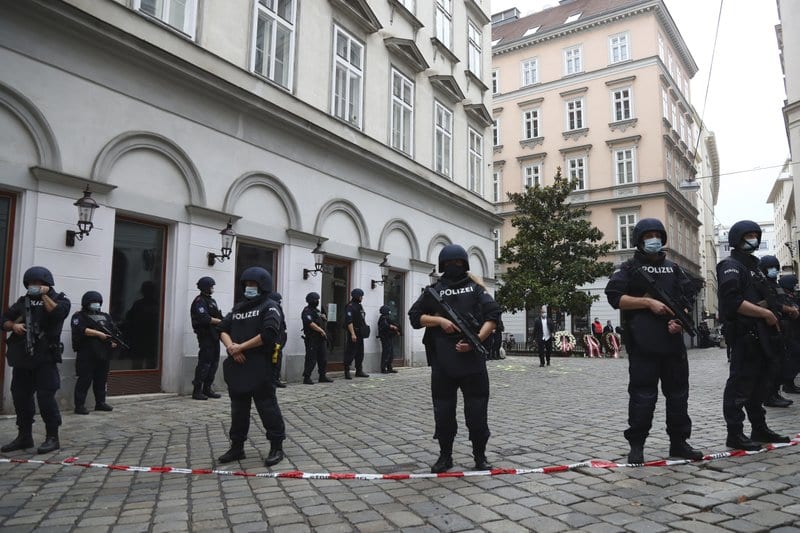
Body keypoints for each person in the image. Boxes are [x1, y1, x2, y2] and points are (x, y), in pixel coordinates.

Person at [605, 218, 704, 463]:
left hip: (672, 343)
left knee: (679, 395)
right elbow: (615, 297)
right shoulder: (628, 268)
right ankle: (637, 445)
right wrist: (648, 302)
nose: (653, 240)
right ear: (639, 240)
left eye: (657, 235)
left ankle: (679, 442)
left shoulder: (673, 268)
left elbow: (686, 300)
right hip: (643, 342)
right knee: (642, 396)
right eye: (648, 235)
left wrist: (680, 321)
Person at [409, 244, 500, 473]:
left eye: (456, 264)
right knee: (444, 413)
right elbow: (414, 317)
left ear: (464, 264)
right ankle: (445, 456)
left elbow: (493, 317)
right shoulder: (435, 291)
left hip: (473, 363)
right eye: (449, 264)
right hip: (443, 364)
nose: (453, 267)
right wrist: (440, 322)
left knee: (477, 413)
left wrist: (475, 340)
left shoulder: (476, 289)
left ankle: (480, 456)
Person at [717, 220, 789, 451]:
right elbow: (732, 301)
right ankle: (735, 433)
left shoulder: (754, 266)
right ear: (737, 239)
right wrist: (765, 313)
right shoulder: (730, 265)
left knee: (759, 386)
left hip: (762, 336)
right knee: (739, 387)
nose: (753, 239)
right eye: (747, 235)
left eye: (754, 235)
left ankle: (759, 427)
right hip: (745, 335)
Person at [217, 267, 286, 467]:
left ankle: (276, 446)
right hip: (238, 367)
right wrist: (231, 347)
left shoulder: (270, 306)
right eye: (246, 284)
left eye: (253, 284)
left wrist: (242, 347)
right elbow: (222, 328)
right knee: (238, 410)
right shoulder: (239, 308)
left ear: (262, 286)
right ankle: (237, 446)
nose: (249, 288)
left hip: (260, 366)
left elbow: (269, 333)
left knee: (267, 407)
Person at [1, 266, 71, 454]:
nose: (34, 286)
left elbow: (57, 313)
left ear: (47, 284)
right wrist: (14, 326)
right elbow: (4, 320)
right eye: (32, 284)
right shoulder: (23, 302)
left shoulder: (60, 300)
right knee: (20, 396)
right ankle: (24, 436)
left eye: (38, 283)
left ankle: (52, 437)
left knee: (45, 397)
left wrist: (44, 296)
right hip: (23, 358)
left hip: (46, 358)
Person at [756, 256, 797, 407]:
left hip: (783, 327)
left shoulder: (775, 285)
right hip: (770, 327)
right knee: (772, 363)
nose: (774, 270)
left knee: (780, 362)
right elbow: (770, 304)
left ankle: (775, 393)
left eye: (775, 267)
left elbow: (780, 302)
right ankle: (769, 395)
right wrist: (788, 309)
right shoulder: (762, 284)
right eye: (771, 267)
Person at [71, 291, 117, 414]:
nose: (96, 305)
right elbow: (80, 329)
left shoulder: (105, 316)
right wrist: (98, 334)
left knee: (101, 379)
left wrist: (113, 341)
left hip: (103, 353)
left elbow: (112, 330)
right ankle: (79, 405)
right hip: (87, 354)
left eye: (97, 302)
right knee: (84, 380)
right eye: (93, 302)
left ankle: (100, 403)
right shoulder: (79, 316)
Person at [190, 277, 223, 400]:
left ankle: (207, 389)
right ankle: (197, 390)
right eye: (211, 287)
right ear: (205, 287)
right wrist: (219, 321)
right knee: (205, 363)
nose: (212, 289)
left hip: (214, 335)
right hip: (205, 336)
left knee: (214, 363)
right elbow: (204, 318)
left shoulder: (212, 301)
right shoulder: (199, 301)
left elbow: (218, 315)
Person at [301, 292, 333, 384]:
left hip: (320, 339)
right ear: (311, 301)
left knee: (323, 359)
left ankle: (322, 376)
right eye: (316, 300)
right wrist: (321, 330)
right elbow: (310, 323)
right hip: (312, 339)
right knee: (311, 358)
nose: (317, 301)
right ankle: (307, 377)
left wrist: (324, 317)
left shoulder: (317, 310)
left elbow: (321, 320)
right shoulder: (307, 311)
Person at [778, 274, 800, 395]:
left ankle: (789, 383)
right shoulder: (783, 297)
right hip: (789, 333)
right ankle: (787, 383)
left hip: (794, 332)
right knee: (794, 356)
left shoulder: (792, 296)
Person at [343, 288, 369, 379]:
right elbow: (349, 321)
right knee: (351, 352)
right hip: (354, 332)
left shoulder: (359, 306)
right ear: (357, 296)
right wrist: (353, 334)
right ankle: (347, 371)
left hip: (360, 332)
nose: (362, 298)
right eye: (361, 296)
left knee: (360, 353)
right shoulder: (350, 306)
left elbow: (362, 318)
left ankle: (359, 370)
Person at [269, 292, 288, 389]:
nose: (280, 302)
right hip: (275, 340)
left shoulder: (277, 308)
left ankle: (276, 378)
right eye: (279, 300)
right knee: (274, 360)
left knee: (277, 359)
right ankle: (273, 379)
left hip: (279, 339)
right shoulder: (273, 308)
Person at [378, 305, 400, 373]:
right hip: (385, 338)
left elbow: (391, 324)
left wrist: (396, 329)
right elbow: (385, 326)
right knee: (386, 353)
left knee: (390, 353)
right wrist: (392, 327)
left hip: (389, 337)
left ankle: (389, 367)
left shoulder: (386, 318)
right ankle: (383, 368)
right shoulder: (382, 318)